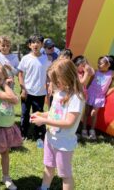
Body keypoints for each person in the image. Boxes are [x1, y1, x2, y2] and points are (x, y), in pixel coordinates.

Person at [31, 59, 85, 190]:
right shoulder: (59, 93)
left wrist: (44, 121)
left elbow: (68, 122)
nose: (53, 84)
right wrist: (42, 114)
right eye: (52, 81)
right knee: (48, 166)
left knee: (65, 174)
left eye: (56, 81)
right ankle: (44, 188)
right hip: (51, 138)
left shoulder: (76, 97)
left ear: (67, 77)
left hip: (64, 144)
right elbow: (55, 113)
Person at [0, 63, 21, 190]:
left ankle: (6, 177)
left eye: (0, 79)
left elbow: (14, 98)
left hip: (8, 127)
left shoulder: (6, 88)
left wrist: (7, 86)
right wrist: (5, 84)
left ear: (4, 77)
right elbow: (14, 100)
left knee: (6, 153)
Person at [18, 34, 51, 143]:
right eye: (33, 42)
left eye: (38, 42)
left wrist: (49, 88)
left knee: (38, 114)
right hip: (27, 92)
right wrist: (23, 89)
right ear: (29, 45)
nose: (35, 44)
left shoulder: (46, 59)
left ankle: (38, 134)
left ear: (42, 45)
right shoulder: (25, 59)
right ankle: (23, 134)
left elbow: (48, 76)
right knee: (24, 114)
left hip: (40, 93)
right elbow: (20, 75)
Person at [82, 56, 114, 140]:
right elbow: (89, 83)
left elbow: (110, 84)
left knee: (93, 113)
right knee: (86, 112)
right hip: (90, 93)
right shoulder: (96, 72)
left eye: (101, 63)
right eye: (98, 63)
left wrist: (109, 91)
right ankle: (84, 129)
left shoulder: (111, 73)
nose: (98, 65)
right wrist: (86, 92)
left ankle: (92, 130)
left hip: (100, 97)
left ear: (108, 65)